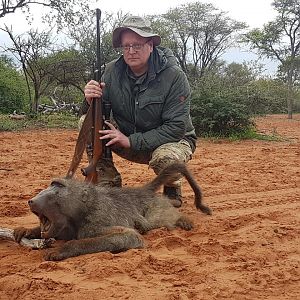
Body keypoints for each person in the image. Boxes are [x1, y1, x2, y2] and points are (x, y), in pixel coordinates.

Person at [80, 15, 197, 207]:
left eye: (137, 45)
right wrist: (88, 100)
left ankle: (172, 187)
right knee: (87, 121)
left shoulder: (175, 76)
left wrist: (130, 140)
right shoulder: (111, 71)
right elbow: (90, 114)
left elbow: (176, 128)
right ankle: (108, 182)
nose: (131, 51)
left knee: (165, 160)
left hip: (170, 142)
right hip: (127, 139)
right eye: (126, 46)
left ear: (150, 45)